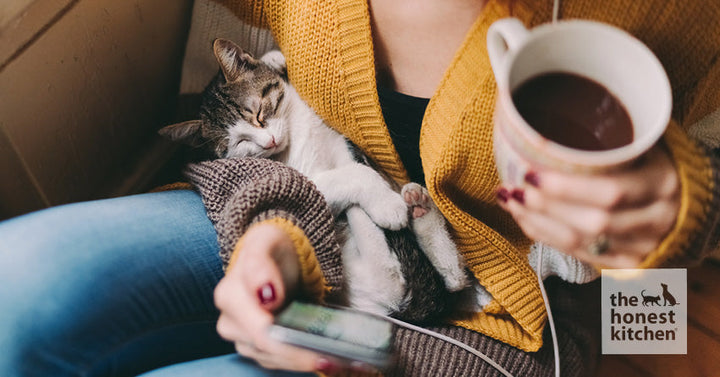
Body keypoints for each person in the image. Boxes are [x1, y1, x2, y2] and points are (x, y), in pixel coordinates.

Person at [1, 0, 718, 376]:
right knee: (18, 290)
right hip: (281, 202)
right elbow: (238, 112)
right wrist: (279, 230)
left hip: (496, 323)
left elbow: (656, 284)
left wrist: (687, 212)